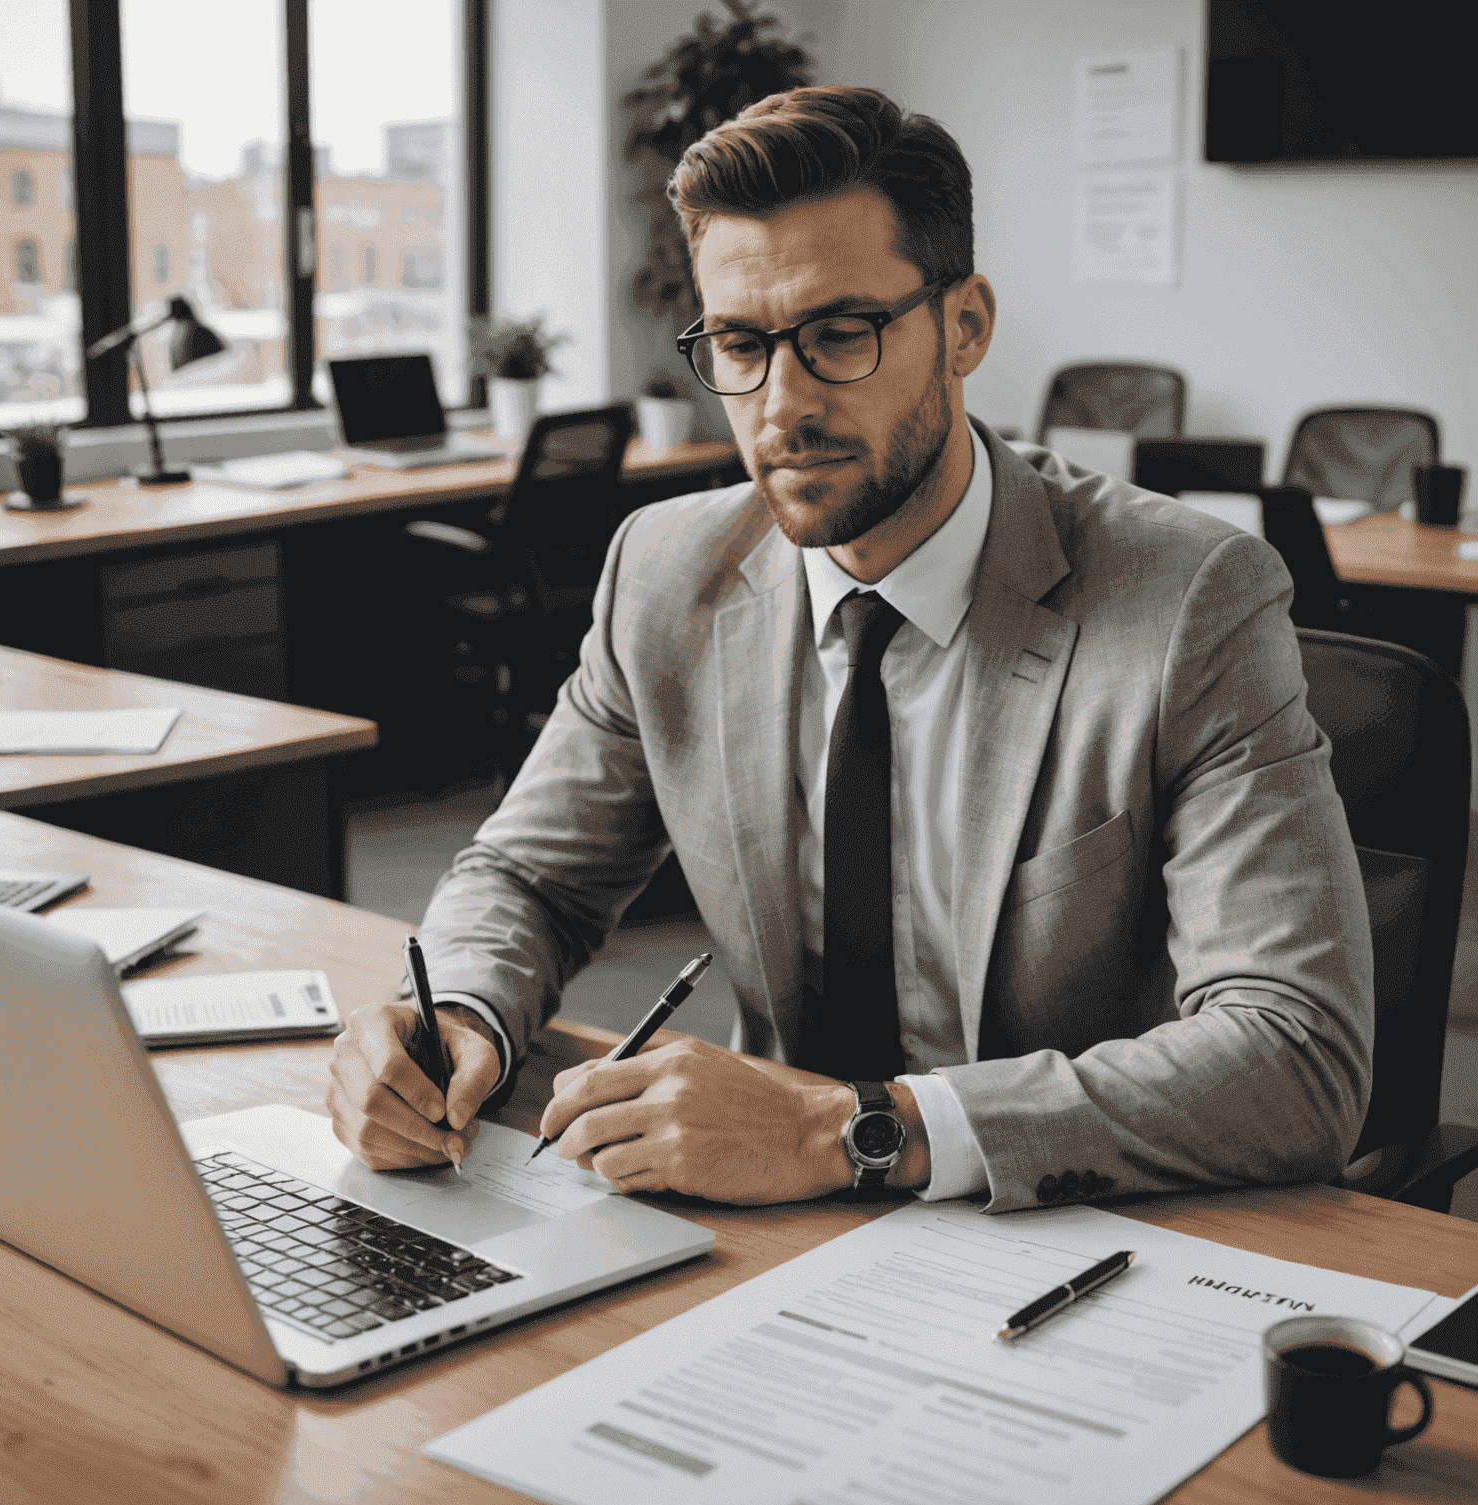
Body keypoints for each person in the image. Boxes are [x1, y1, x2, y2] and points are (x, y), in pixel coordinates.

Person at [326, 85, 1373, 1212]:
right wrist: (457, 1013)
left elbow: (1295, 1055)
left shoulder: (1190, 602)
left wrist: (852, 1129)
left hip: (1073, 1228)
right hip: (748, 1218)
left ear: (964, 326)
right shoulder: (665, 573)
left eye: (839, 335)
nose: (781, 407)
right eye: (739, 344)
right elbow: (531, 877)